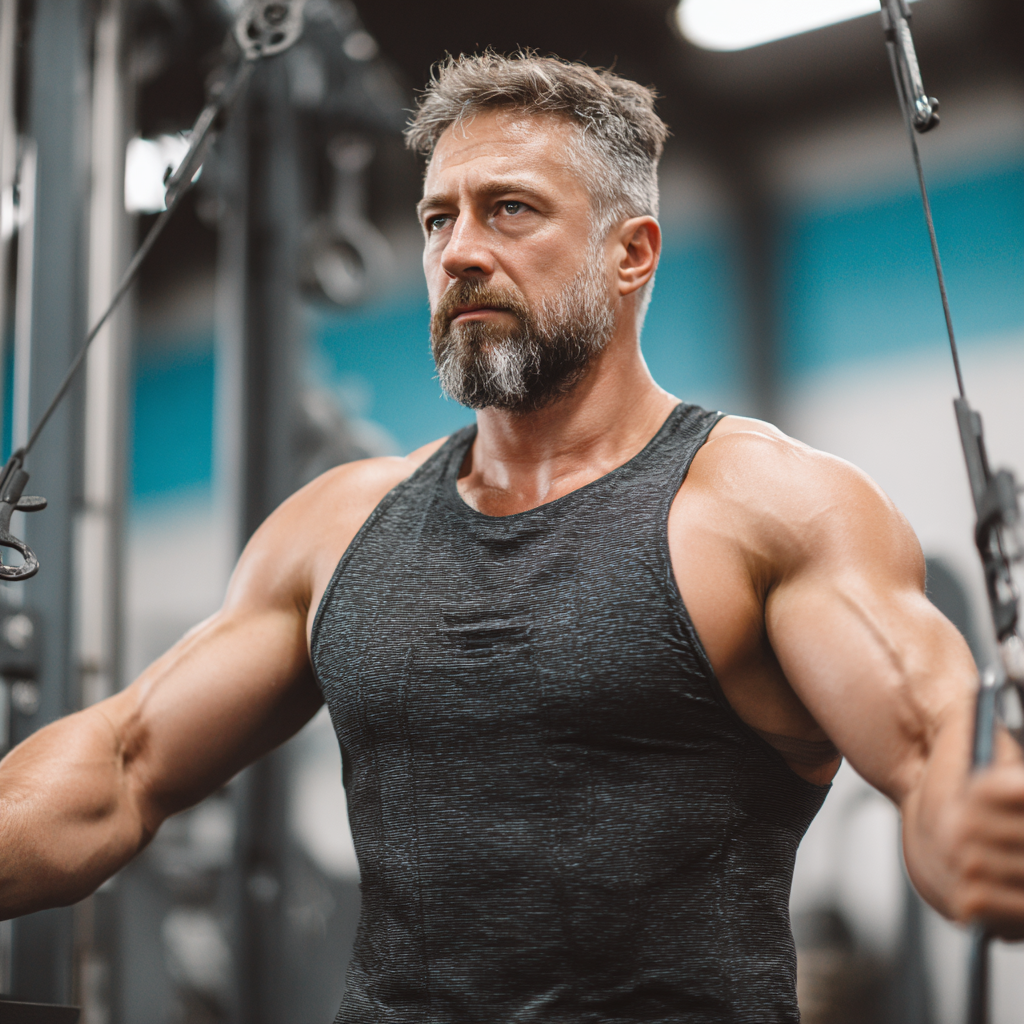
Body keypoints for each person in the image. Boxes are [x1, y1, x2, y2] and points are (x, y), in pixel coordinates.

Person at [1, 52, 1022, 1023]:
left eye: (511, 211)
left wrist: (975, 822)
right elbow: (124, 761)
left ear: (630, 253)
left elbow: (935, 747)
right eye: (437, 218)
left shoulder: (767, 505)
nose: (459, 252)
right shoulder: (341, 523)